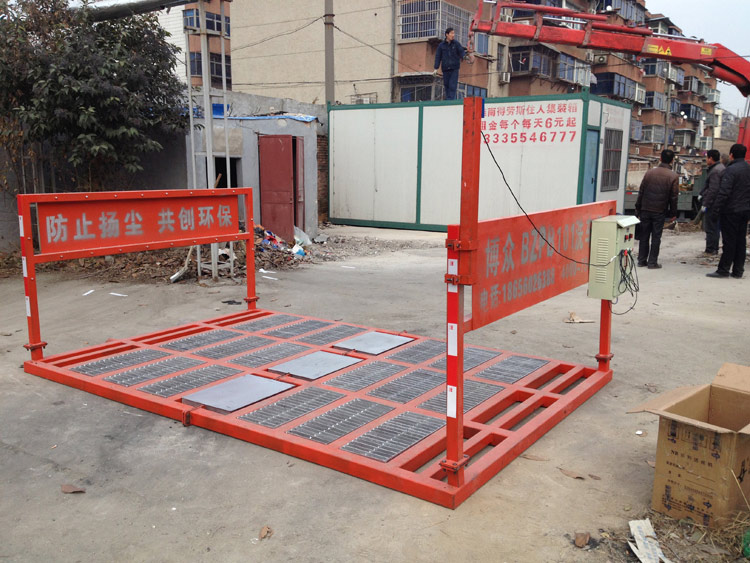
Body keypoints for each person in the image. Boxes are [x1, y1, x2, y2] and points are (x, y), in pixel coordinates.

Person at [706, 143, 750, 279]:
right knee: (740, 241)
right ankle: (738, 270)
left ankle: (723, 269)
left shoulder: (730, 170)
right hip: (745, 210)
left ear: (731, 155)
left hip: (731, 211)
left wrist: (716, 210)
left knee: (729, 241)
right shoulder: (748, 168)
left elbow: (724, 192)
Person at [635, 149, 679, 269]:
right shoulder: (673, 176)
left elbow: (641, 192)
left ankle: (641, 260)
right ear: (672, 160)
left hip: (645, 209)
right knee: (656, 237)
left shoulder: (649, 173)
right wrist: (673, 213)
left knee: (644, 235)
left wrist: (638, 208)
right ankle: (652, 262)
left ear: (660, 158)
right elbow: (673, 197)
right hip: (659, 211)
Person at [699, 149, 725, 255]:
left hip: (713, 204)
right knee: (715, 227)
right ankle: (714, 248)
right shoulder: (721, 168)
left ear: (710, 158)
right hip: (718, 202)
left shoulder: (715, 171)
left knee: (711, 227)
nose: (706, 160)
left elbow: (713, 190)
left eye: (707, 158)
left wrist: (705, 204)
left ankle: (711, 249)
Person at [433, 27, 467, 100]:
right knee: (446, 85)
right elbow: (438, 57)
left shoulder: (456, 44)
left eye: (453, 33)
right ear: (447, 34)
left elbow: (461, 51)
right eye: (451, 33)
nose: (453, 35)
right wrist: (436, 68)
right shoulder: (441, 46)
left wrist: (464, 56)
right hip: (445, 69)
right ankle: (448, 100)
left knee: (452, 84)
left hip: (454, 68)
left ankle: (450, 100)